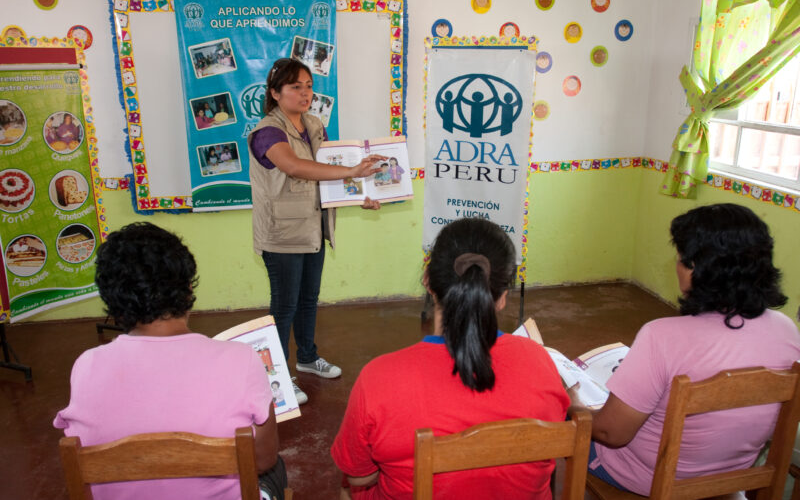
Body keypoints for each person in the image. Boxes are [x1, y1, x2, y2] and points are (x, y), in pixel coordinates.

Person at [569, 203, 800, 495]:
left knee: (561, 431)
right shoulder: (786, 330)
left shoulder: (661, 336)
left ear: (698, 270)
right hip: (734, 476)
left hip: (647, 478)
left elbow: (610, 433)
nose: (676, 265)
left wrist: (572, 405)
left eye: (680, 258)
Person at [331, 218, 570, 499]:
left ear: (428, 282)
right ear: (503, 296)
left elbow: (362, 476)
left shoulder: (379, 379)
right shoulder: (539, 361)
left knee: (347, 489)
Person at [53, 223, 285, 500]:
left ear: (112, 299)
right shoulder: (241, 358)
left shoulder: (86, 366)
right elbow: (263, 459)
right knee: (276, 470)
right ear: (188, 289)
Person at [247, 57, 385, 405]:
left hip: (314, 228)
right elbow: (294, 167)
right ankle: (275, 375)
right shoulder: (267, 131)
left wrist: (363, 194)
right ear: (275, 93)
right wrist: (351, 172)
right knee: (284, 305)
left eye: (308, 86)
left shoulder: (313, 124)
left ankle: (307, 357)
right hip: (282, 234)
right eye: (296, 87)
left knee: (308, 300)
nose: (305, 93)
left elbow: (329, 173)